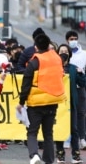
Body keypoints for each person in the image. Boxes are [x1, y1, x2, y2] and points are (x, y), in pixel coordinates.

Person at [16, 34, 66, 164]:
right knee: (48, 134)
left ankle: (34, 156)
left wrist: (21, 102)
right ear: (49, 44)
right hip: (53, 101)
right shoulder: (56, 58)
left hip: (36, 103)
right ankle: (49, 161)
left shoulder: (34, 61)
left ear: (36, 46)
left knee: (32, 132)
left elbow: (26, 84)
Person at [55, 44, 84, 164]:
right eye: (61, 51)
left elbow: (82, 83)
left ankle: (76, 155)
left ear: (69, 54)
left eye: (65, 51)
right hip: (58, 104)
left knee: (74, 129)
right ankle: (60, 154)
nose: (63, 53)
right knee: (59, 129)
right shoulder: (54, 68)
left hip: (71, 104)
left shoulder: (73, 68)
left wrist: (81, 73)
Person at [65, 30, 86, 150]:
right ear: (67, 40)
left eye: (75, 38)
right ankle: (68, 137)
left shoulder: (83, 54)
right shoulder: (65, 53)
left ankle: (82, 138)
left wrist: (81, 73)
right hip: (68, 88)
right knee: (68, 113)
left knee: (81, 113)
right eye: (71, 39)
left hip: (80, 87)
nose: (73, 41)